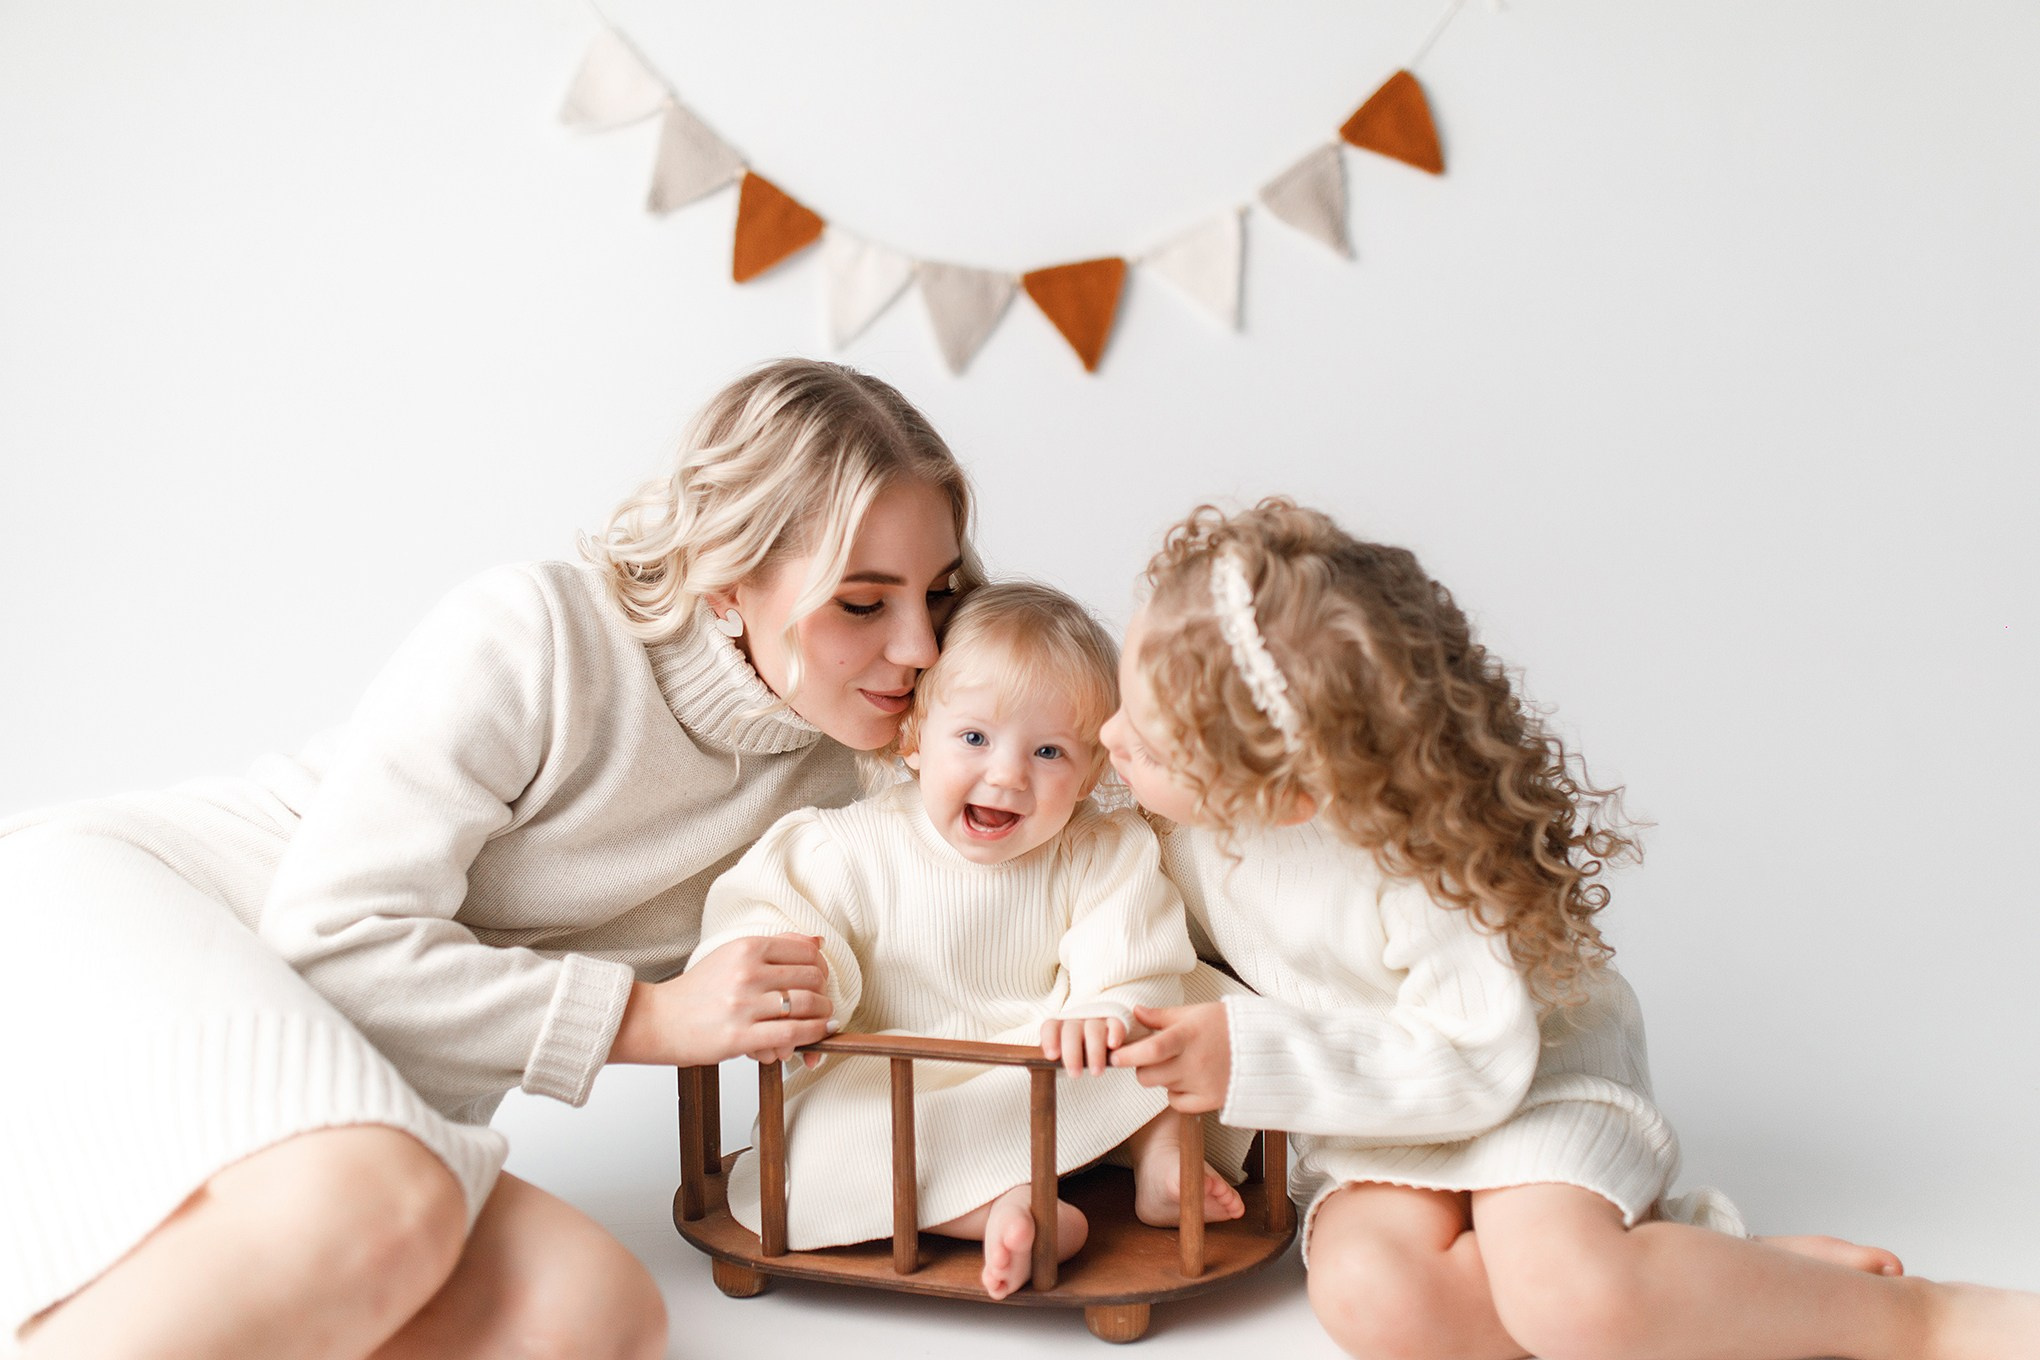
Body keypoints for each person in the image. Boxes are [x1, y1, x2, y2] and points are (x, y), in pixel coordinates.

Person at [0, 359, 981, 1360]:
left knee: (593, 1310)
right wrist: (650, 1017)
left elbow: (1088, 792)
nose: (919, 648)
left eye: (939, 596)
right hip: (130, 907)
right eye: (862, 604)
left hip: (362, 1090)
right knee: (381, 1205)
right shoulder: (540, 636)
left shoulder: (860, 768)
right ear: (728, 582)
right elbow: (331, 942)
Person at [1104, 498, 2040, 1360]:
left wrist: (1255, 1059)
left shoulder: (1417, 861)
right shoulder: (1175, 821)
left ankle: (1918, 1322)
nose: (1109, 741)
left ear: (1288, 792)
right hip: (1374, 1111)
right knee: (1371, 1299)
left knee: (1565, 1295)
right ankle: (1706, 1278)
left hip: (1523, 1079)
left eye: (1145, 745)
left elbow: (1475, 1063)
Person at [693, 582, 1245, 1301]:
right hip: (902, 1080)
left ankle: (1161, 1161)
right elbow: (766, 912)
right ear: (915, 739)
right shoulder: (846, 846)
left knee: (1178, 1024)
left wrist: (1107, 1008)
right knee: (815, 1144)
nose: (1008, 775)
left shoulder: (1101, 850)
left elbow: (1134, 948)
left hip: (1053, 1072)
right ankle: (1002, 1211)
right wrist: (798, 986)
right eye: (976, 738)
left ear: (1087, 777)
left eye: (1049, 751)